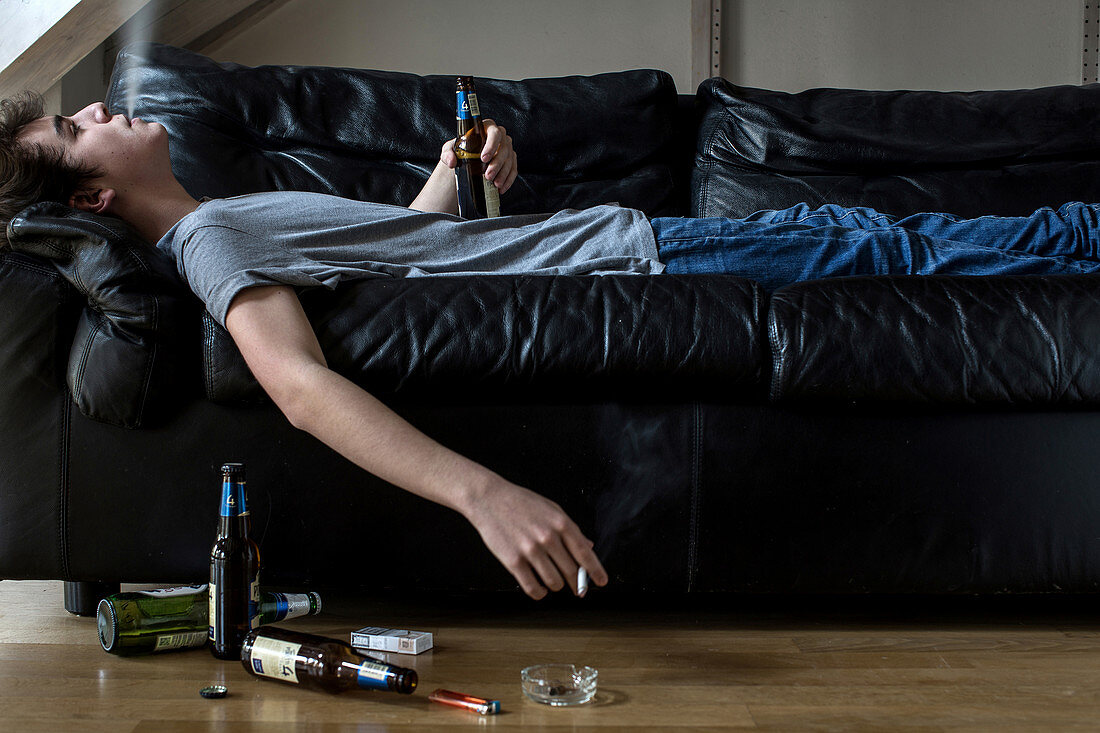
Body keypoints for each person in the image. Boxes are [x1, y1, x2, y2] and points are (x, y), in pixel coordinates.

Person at [3, 93, 1100, 599]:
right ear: (97, 188)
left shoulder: (221, 219)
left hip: (634, 251)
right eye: (76, 123)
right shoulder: (207, 240)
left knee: (903, 245)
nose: (99, 102)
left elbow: (417, 251)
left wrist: (454, 173)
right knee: (909, 247)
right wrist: (484, 495)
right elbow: (296, 387)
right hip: (645, 260)